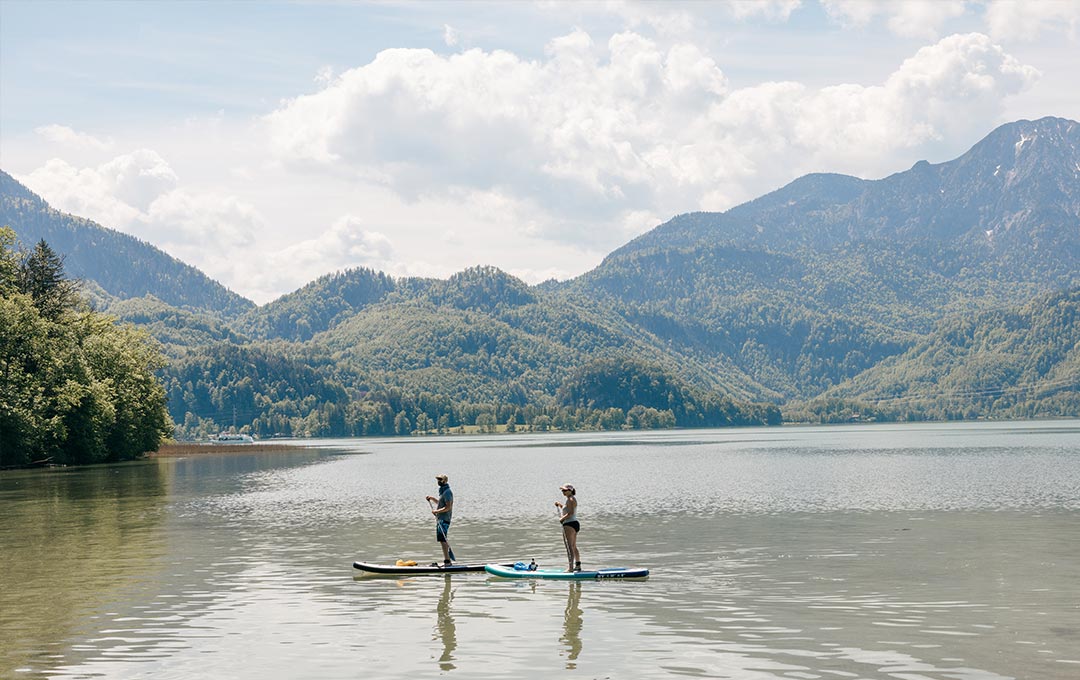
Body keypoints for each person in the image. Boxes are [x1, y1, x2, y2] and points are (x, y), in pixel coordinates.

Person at [426, 474, 454, 565]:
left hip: (444, 519)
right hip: (440, 519)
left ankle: (447, 561)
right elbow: (440, 504)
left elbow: (448, 507)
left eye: (440, 480)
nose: (438, 481)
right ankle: (447, 560)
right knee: (441, 539)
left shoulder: (448, 492)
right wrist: (432, 498)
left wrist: (436, 511)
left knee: (443, 539)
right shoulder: (443, 492)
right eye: (438, 479)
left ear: (445, 481)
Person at [555, 483, 581, 572]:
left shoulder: (570, 499)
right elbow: (567, 510)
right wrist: (560, 505)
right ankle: (577, 565)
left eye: (565, 490)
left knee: (569, 547)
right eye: (562, 490)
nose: (563, 492)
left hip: (569, 524)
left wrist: (562, 519)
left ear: (570, 491)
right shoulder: (570, 499)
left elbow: (570, 513)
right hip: (574, 523)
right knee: (573, 546)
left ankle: (570, 568)